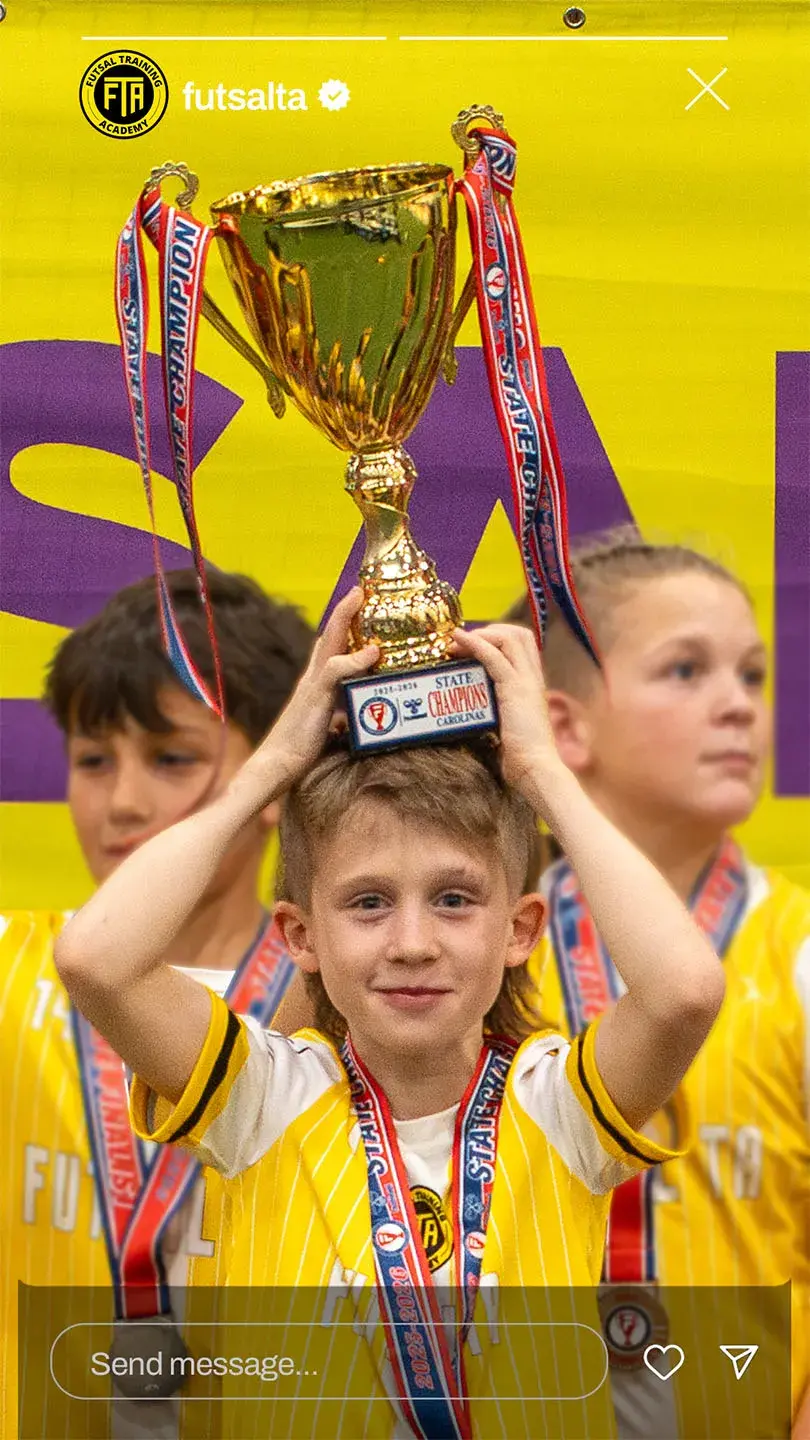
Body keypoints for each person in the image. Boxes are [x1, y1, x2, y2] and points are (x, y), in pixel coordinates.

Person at [53, 588, 725, 1439]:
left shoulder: (558, 1106)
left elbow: (685, 990)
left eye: (454, 899)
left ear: (521, 929)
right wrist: (274, 764)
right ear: (301, 936)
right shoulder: (263, 1098)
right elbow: (96, 958)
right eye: (368, 903)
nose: (412, 944)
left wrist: (545, 777)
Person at [0, 567, 314, 1440]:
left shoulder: (342, 997)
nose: (124, 803)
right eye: (93, 761)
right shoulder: (12, 963)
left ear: (276, 776)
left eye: (172, 759)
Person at [507, 530, 810, 1437]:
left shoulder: (796, 954)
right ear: (563, 729)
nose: (738, 705)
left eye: (752, 675)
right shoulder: (486, 955)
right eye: (686, 670)